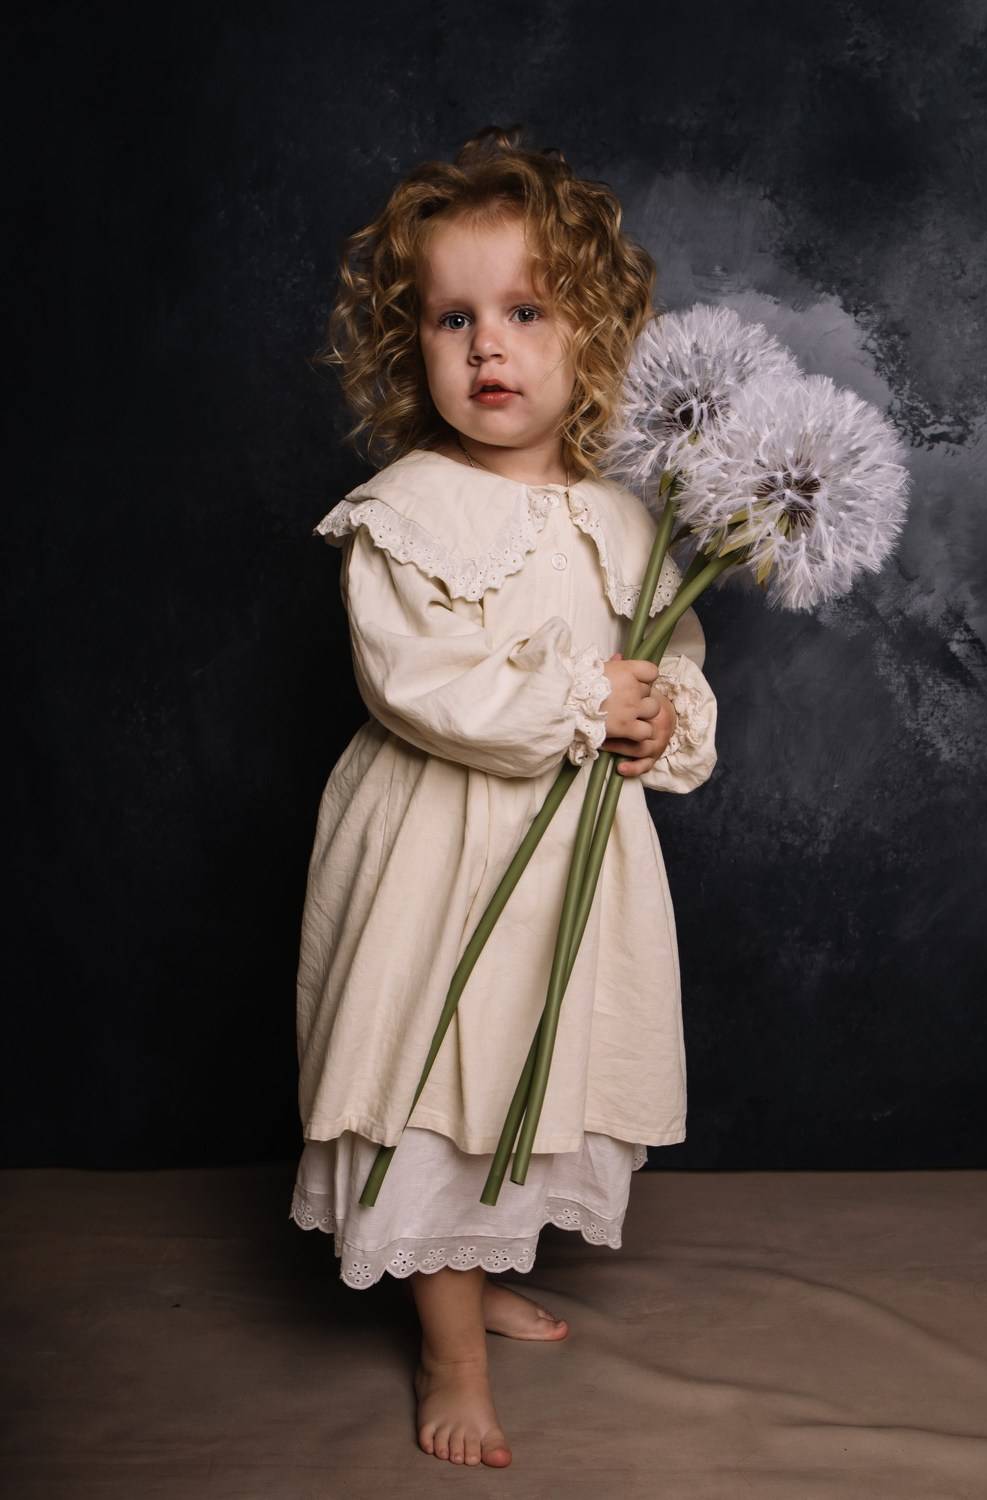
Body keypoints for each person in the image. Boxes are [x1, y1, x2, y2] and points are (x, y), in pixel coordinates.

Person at [290, 125, 719, 1467]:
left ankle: (474, 1270)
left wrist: (660, 716)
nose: (489, 346)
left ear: (593, 333)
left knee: (530, 1063)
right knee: (439, 1076)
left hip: (568, 862)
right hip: (442, 855)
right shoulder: (404, 511)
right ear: (409, 345)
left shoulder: (629, 517)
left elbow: (675, 660)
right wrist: (582, 700)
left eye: (527, 312)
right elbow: (416, 682)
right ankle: (450, 1349)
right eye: (453, 319)